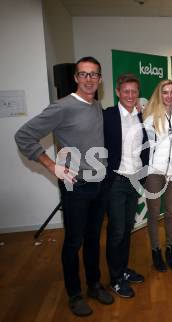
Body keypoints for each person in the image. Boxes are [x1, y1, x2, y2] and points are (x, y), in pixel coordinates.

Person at [14, 57, 113, 316]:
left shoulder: (95, 105)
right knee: (73, 242)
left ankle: (93, 284)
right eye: (84, 74)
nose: (89, 79)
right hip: (76, 187)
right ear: (76, 78)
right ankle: (74, 294)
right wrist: (50, 165)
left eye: (94, 75)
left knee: (93, 239)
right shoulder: (62, 107)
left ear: (100, 79)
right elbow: (23, 136)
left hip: (98, 184)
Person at [102, 73, 148, 298]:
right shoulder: (108, 116)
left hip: (134, 180)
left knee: (127, 229)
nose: (130, 95)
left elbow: (147, 146)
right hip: (115, 182)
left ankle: (122, 270)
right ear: (118, 93)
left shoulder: (141, 116)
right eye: (126, 91)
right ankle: (115, 278)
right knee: (117, 230)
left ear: (138, 93)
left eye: (134, 91)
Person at [143, 80, 172, 272]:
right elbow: (143, 147)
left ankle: (170, 249)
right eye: (165, 92)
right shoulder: (150, 118)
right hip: (154, 172)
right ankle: (155, 250)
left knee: (170, 212)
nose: (169, 96)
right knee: (153, 213)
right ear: (159, 94)